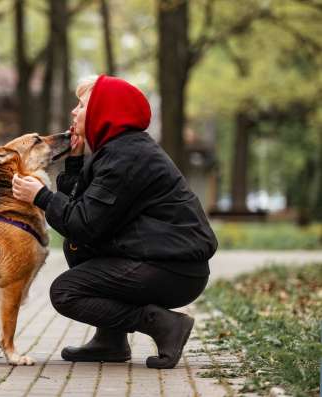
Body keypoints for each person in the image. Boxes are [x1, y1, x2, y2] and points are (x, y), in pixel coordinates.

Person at [12, 74, 218, 369]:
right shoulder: (115, 151)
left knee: (65, 292)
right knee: (78, 247)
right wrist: (74, 160)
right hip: (161, 260)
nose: (73, 112)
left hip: (174, 268)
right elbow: (81, 217)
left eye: (81, 105)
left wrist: (41, 197)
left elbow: (83, 223)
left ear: (102, 113)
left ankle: (164, 325)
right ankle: (110, 341)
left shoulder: (126, 157)